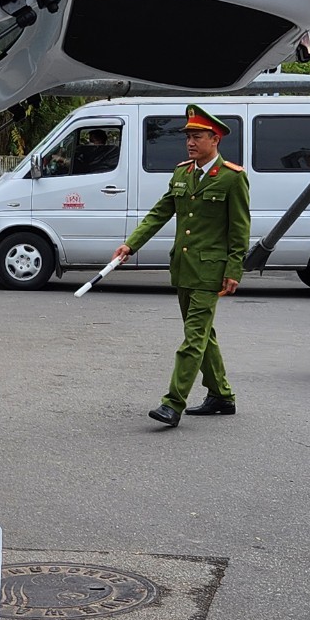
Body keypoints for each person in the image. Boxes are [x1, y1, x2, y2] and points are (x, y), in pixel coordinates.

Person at [111, 104, 250, 427]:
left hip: (210, 270)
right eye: (188, 137)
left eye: (197, 136)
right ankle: (222, 395)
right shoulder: (182, 173)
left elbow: (239, 228)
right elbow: (160, 213)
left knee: (193, 339)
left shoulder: (232, 178)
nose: (190, 142)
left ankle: (173, 403)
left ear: (214, 139)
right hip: (185, 267)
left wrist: (233, 270)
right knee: (202, 335)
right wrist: (131, 244)